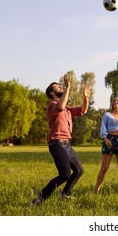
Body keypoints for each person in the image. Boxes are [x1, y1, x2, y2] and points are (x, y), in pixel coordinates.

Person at [31, 74, 91, 206]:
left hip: (67, 145)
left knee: (79, 170)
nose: (60, 87)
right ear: (52, 93)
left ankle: (65, 195)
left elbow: (82, 110)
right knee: (64, 175)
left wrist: (86, 98)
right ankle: (39, 199)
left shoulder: (67, 108)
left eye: (60, 86)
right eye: (57, 87)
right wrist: (68, 87)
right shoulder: (52, 105)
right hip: (57, 143)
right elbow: (60, 106)